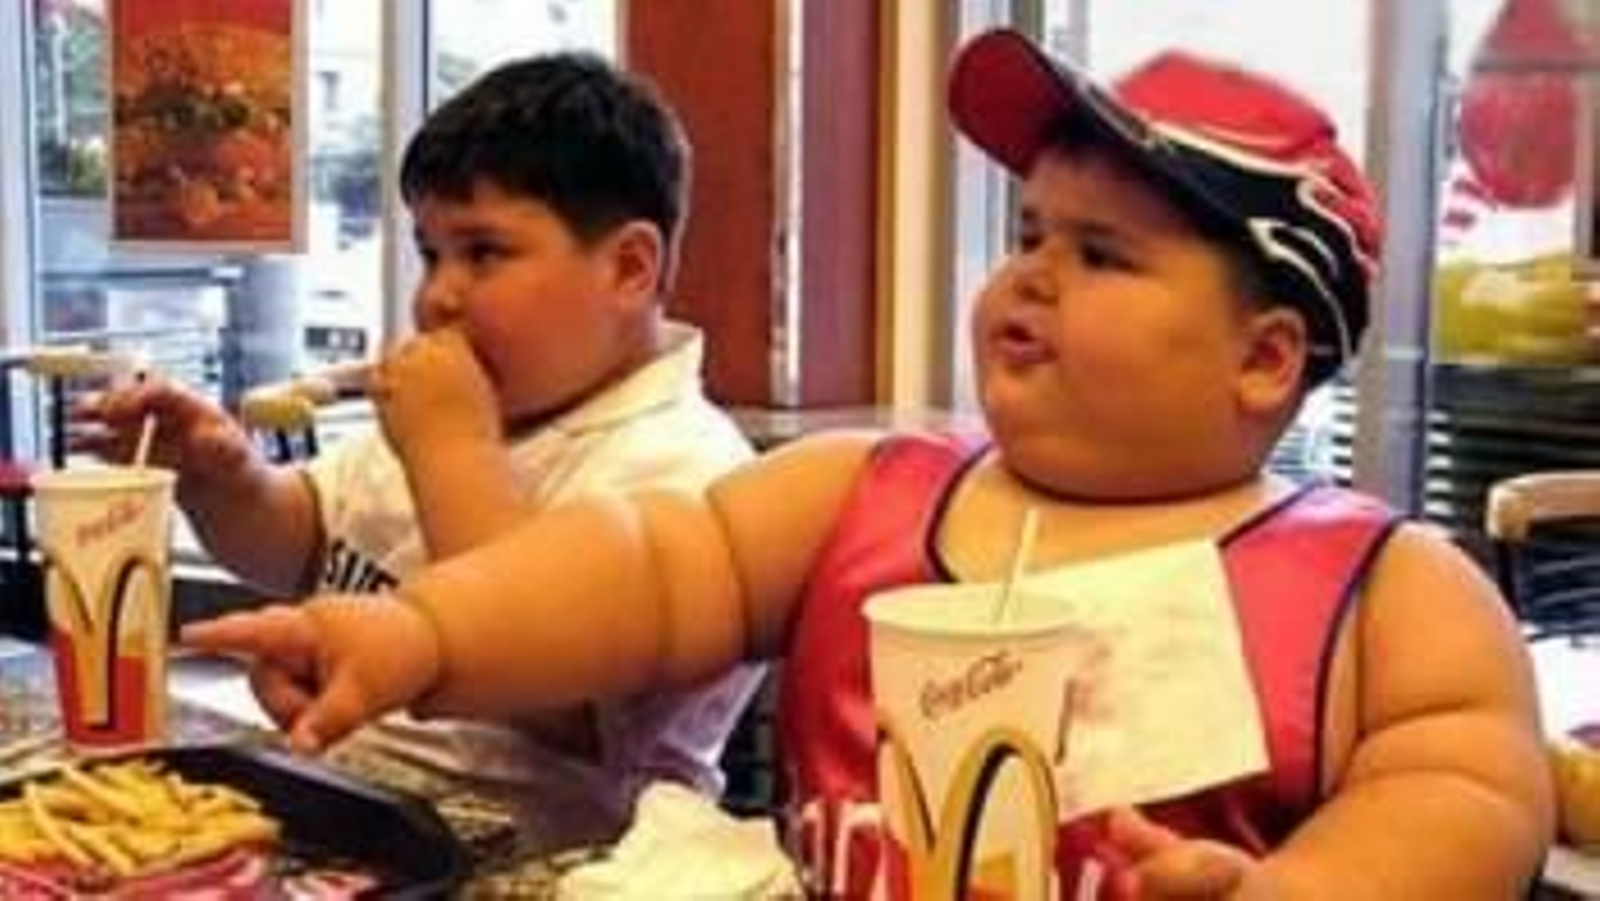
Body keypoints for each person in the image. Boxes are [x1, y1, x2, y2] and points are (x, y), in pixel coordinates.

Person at [185, 29, 1553, 898]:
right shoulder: (874, 488)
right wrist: (425, 629)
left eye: (1100, 253)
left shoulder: (1383, 587)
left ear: (1263, 359)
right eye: (1028, 232)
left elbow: (1474, 789)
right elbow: (649, 567)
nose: (1027, 276)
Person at [76, 51, 763, 852]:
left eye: (483, 253)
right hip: (347, 807)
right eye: (431, 253)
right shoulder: (480, 404)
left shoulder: (686, 463)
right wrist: (225, 479)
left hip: (546, 859)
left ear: (628, 267)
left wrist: (452, 448)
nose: (436, 295)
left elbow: (559, 705)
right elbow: (302, 544)